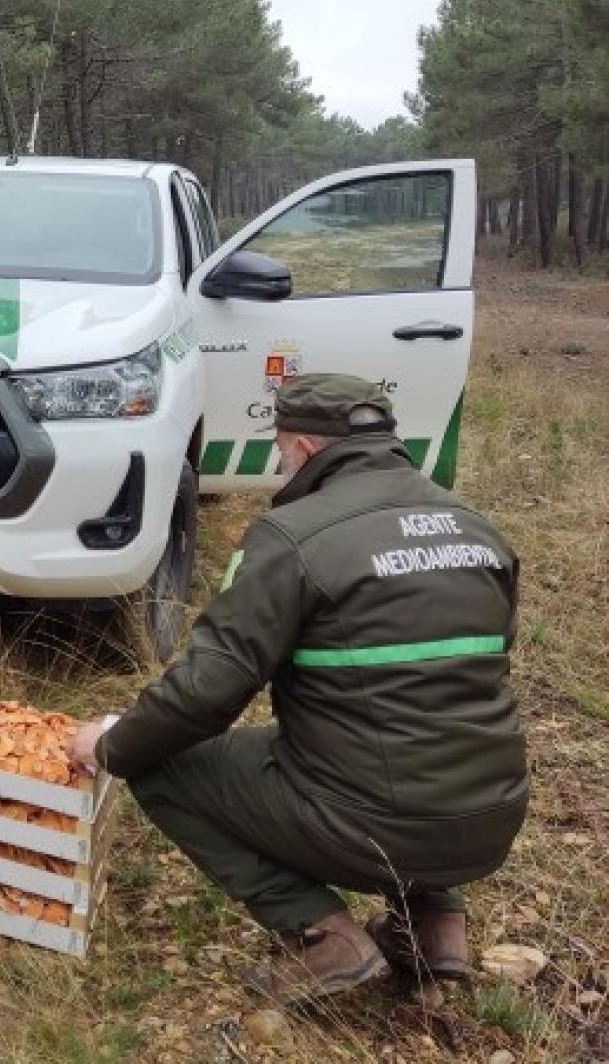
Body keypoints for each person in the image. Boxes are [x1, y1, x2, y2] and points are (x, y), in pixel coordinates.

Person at [69, 374, 528, 1007]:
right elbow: (475, 670)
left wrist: (115, 744)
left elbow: (206, 692)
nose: (279, 463)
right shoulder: (478, 530)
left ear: (305, 449)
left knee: (162, 765)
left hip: (373, 827)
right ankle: (434, 926)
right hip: (492, 819)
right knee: (424, 719)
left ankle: (326, 936)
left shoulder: (293, 537)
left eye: (280, 447)